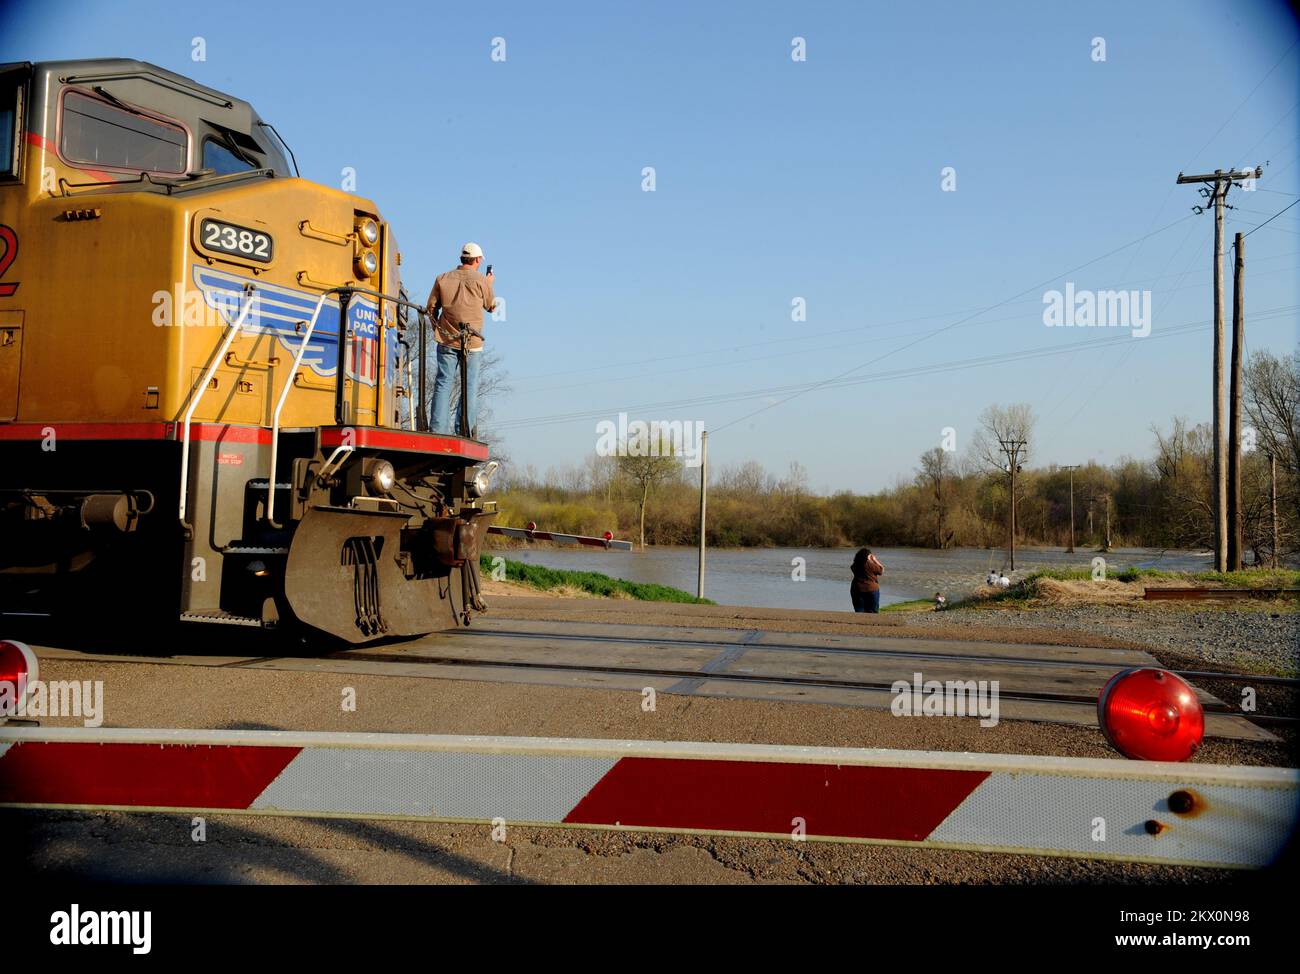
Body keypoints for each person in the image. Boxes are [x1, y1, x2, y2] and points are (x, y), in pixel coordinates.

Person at [427, 242, 497, 436]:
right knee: (470, 385)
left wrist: (439, 330)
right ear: (477, 260)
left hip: (446, 340)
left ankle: (438, 430)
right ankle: (464, 431)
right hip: (472, 343)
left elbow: (431, 308)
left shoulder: (442, 279)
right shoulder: (482, 281)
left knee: (443, 383)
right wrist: (489, 284)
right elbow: (491, 306)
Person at [850, 548, 884, 613]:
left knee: (859, 610)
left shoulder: (854, 565)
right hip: (871, 589)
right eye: (870, 555)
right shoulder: (869, 564)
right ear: (867, 556)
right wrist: (875, 560)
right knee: (873, 611)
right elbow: (881, 570)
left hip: (856, 588)